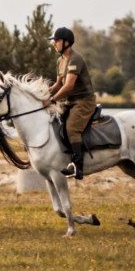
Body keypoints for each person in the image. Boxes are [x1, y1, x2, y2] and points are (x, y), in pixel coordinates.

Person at [42, 26, 96, 179]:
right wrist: (43, 95)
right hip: (71, 101)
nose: (54, 44)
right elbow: (58, 85)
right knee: (58, 123)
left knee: (72, 128)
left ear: (66, 42)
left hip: (84, 102)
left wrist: (52, 100)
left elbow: (68, 86)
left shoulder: (75, 59)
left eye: (56, 41)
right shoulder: (60, 60)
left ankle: (78, 167)